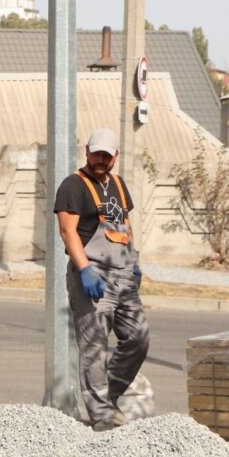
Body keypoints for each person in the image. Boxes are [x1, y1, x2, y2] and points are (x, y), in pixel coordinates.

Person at [53, 128, 150, 431]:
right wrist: (84, 268)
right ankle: (101, 414)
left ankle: (108, 394)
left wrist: (134, 260)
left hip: (123, 275)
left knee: (138, 338)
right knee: (94, 346)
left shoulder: (119, 185)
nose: (101, 160)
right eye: (97, 154)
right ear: (87, 151)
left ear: (115, 157)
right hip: (93, 276)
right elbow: (67, 231)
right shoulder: (73, 185)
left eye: (107, 156)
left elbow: (125, 225)